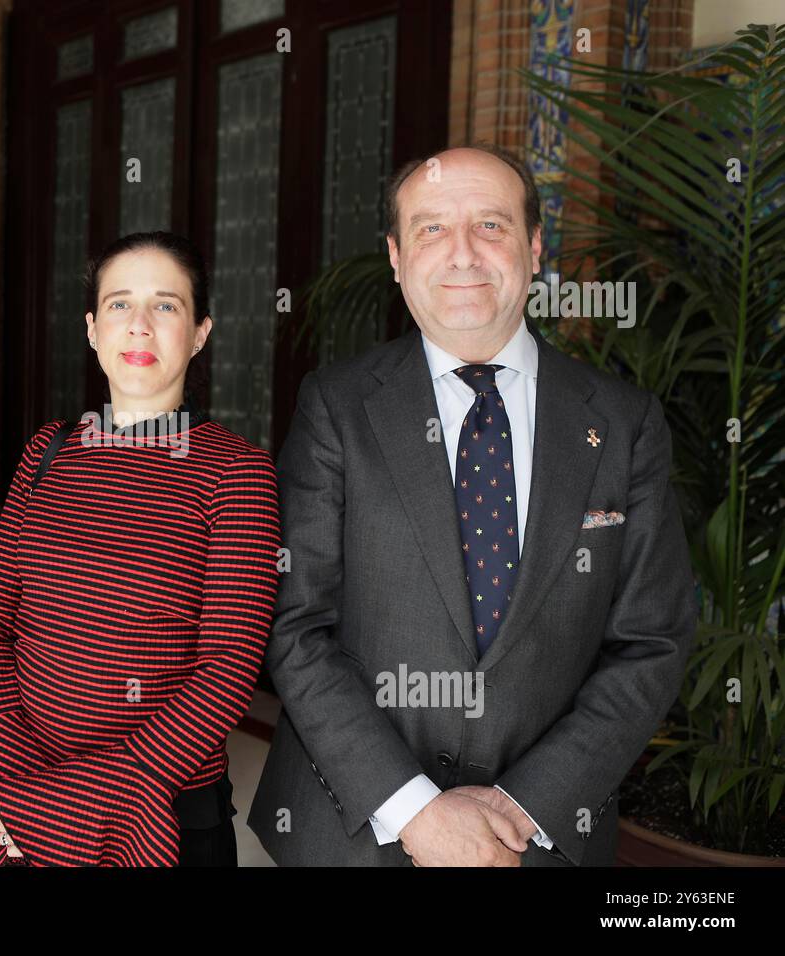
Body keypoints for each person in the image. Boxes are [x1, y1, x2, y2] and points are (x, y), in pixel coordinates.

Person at [248, 145, 697, 866]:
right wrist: (416, 810)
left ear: (534, 247)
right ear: (396, 257)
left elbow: (653, 640)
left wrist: (523, 807)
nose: (461, 253)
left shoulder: (623, 421)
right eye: (430, 229)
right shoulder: (335, 407)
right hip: (355, 830)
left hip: (541, 840)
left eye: (490, 225)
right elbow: (294, 622)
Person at [0, 232, 281, 866]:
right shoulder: (47, 451)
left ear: (200, 333)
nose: (139, 326)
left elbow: (228, 669)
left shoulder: (236, 473)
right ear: (91, 329)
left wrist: (89, 795)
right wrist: (1, 762)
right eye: (118, 305)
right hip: (17, 800)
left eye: (165, 306)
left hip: (160, 812)